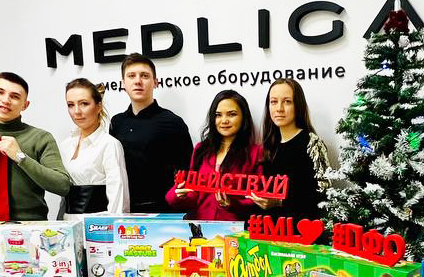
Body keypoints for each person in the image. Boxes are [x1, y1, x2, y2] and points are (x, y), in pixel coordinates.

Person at [0, 72, 70, 221]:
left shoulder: (41, 138)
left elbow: (62, 185)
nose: (6, 100)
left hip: (30, 225)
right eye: (0, 92)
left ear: (25, 105)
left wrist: (20, 157)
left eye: (14, 96)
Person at [109, 54, 192, 211]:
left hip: (164, 211)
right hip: (124, 209)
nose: (138, 81)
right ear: (123, 83)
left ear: (155, 82)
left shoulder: (173, 122)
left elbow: (187, 172)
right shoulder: (116, 122)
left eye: (144, 76)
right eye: (131, 76)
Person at [168, 89, 262, 221]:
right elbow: (194, 195)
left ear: (243, 117)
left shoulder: (255, 153)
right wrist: (178, 195)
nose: (224, 120)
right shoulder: (201, 149)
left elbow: (258, 199)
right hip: (201, 226)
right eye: (218, 115)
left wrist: (232, 204)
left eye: (232, 114)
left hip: (235, 228)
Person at [251, 77, 330, 221]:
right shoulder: (269, 145)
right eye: (273, 102)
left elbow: (321, 194)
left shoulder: (312, 143)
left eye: (287, 101)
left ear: (298, 105)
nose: (279, 108)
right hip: (271, 228)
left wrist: (279, 202)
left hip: (301, 229)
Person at [57, 78, 130, 217]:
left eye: (84, 104)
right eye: (70, 105)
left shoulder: (109, 144)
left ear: (98, 106)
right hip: (67, 223)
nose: (76, 111)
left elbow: (118, 196)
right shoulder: (65, 145)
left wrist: (113, 226)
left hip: (98, 224)